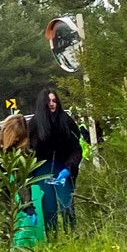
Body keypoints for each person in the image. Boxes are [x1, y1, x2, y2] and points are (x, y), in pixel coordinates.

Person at [27, 87, 82, 234]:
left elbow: (76, 148)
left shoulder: (66, 121)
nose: (52, 104)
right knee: (49, 206)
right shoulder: (34, 124)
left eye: (54, 101)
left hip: (62, 167)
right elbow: (28, 151)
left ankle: (72, 235)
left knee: (67, 204)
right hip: (42, 169)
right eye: (48, 101)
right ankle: (52, 238)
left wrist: (69, 167)